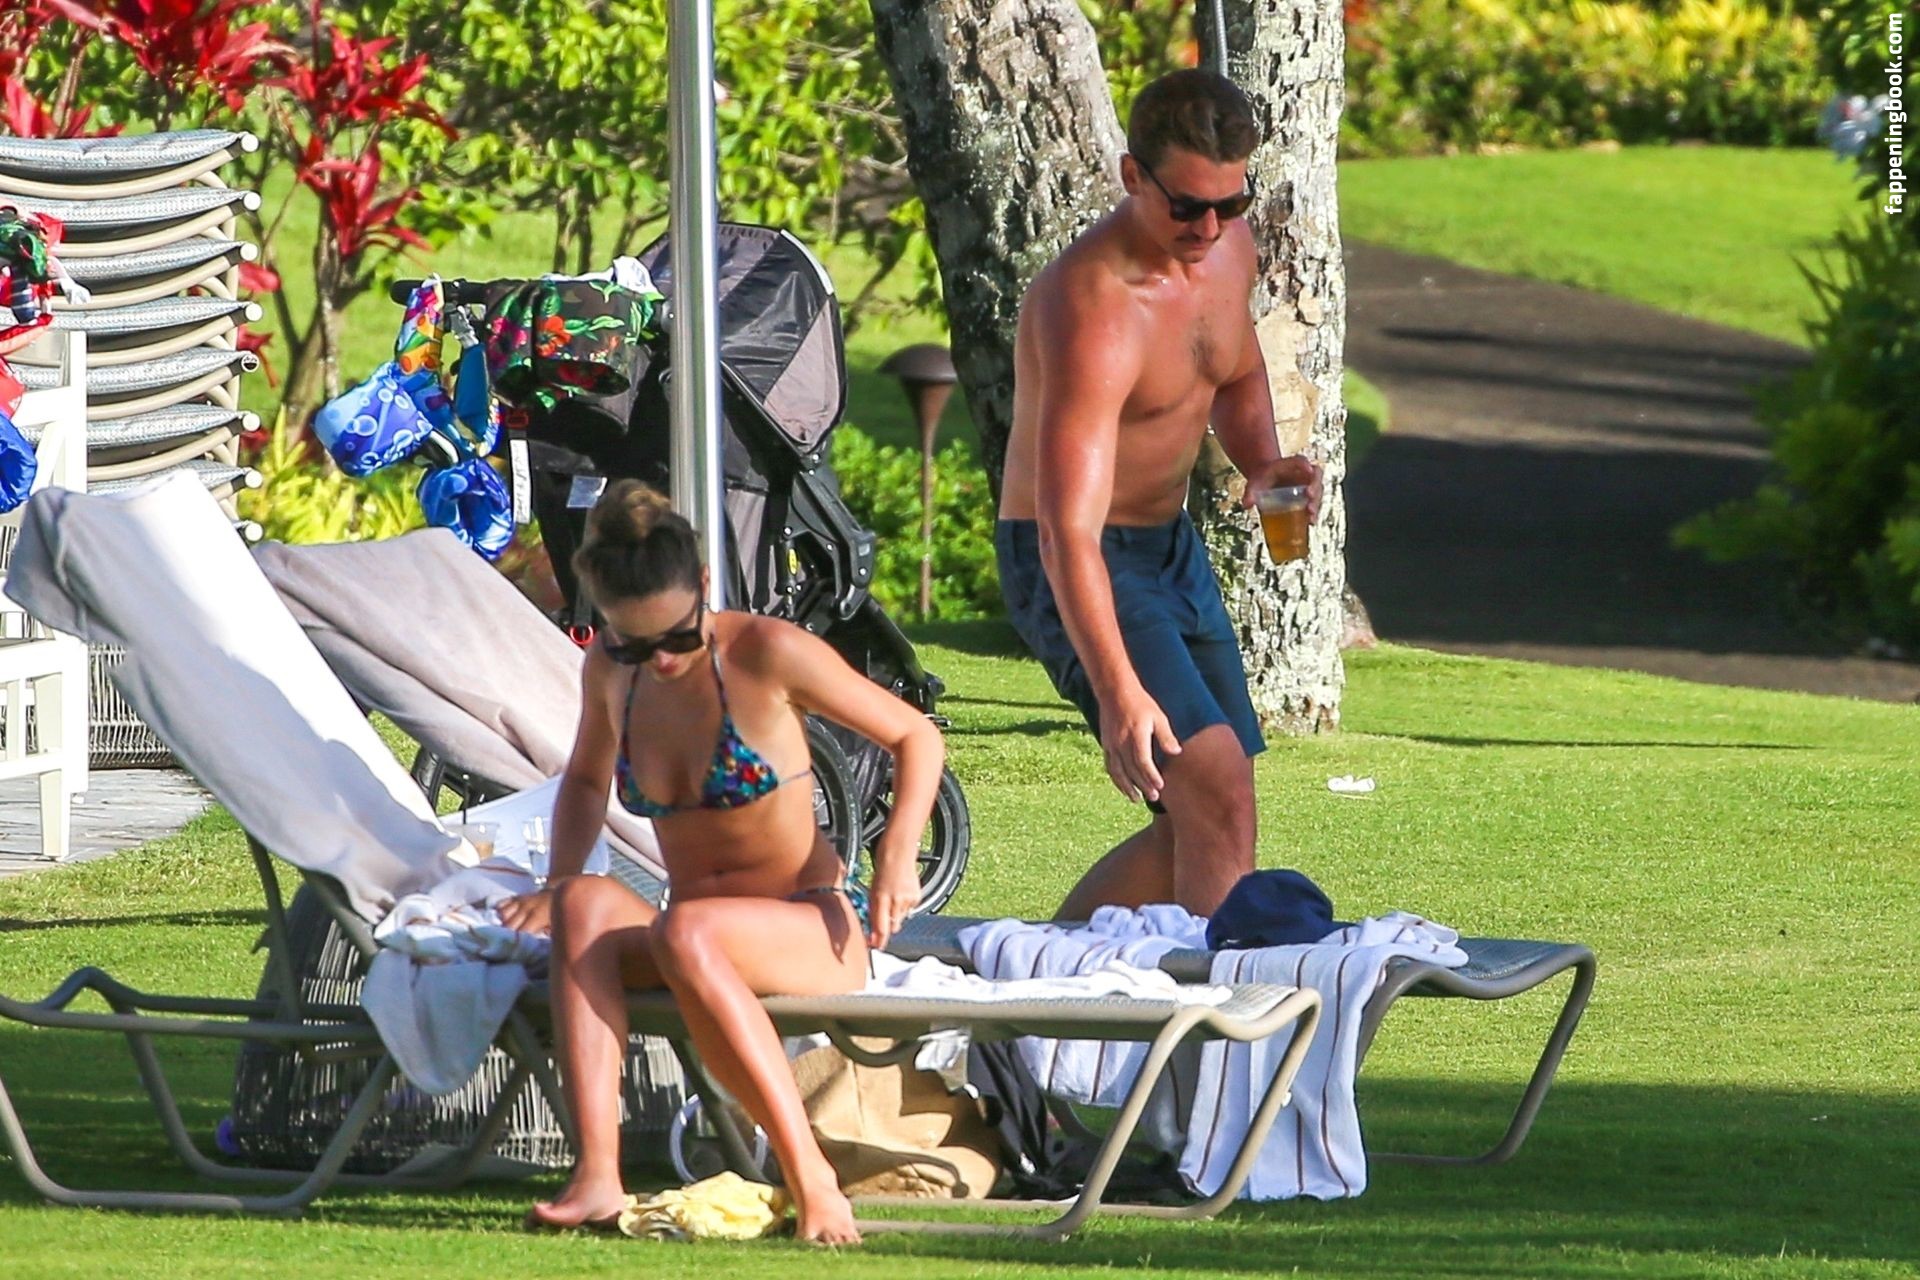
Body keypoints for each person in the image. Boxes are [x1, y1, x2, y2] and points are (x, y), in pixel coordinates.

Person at [498, 480, 943, 1245]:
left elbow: (916, 736)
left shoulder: (765, 653)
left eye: (676, 640)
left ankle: (812, 1179)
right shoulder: (610, 670)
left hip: (807, 926)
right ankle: (597, 1173)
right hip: (694, 934)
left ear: (705, 585)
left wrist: (898, 854)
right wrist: (558, 883)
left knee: (688, 931)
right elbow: (584, 782)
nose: (660, 662)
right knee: (585, 904)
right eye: (635, 645)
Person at [996, 68, 1321, 921]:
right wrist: (1117, 692)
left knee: (1209, 809)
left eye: (1229, 204)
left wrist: (1262, 460)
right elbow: (1065, 532)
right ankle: (1217, 1003)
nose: (1208, 228)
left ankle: (1048, 977)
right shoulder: (1091, 307)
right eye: (1187, 207)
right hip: (1076, 555)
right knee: (1213, 785)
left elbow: (1235, 371)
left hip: (1169, 547)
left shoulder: (1227, 253)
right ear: (1132, 176)